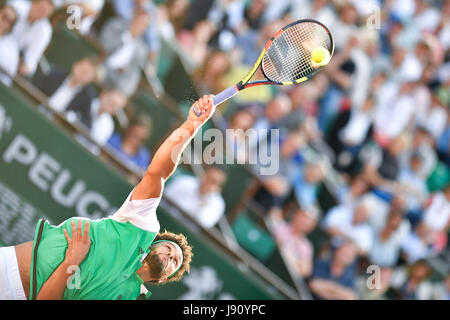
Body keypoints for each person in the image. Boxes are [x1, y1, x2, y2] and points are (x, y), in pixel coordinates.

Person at [0, 95, 216, 300]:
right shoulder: (141, 227)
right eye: (169, 248)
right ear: (151, 244)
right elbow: (158, 173)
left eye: (175, 261)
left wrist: (73, 260)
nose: (170, 255)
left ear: (164, 278)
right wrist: (191, 125)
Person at [8, 0, 55, 77]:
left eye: (45, 13)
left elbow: (31, 60)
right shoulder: (17, 6)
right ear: (33, 3)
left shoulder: (45, 31)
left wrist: (25, 68)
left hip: (13, 62)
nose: (41, 14)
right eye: (41, 8)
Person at [0, 3, 19, 87]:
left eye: (9, 21)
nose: (5, 22)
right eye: (4, 16)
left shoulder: (11, 47)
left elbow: (8, 77)